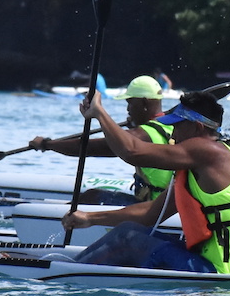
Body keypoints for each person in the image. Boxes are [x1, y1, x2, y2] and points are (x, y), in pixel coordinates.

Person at [61, 89, 230, 274]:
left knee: (126, 238)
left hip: (221, 273)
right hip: (224, 266)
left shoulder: (207, 151)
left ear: (198, 128)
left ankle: (65, 276)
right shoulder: (207, 165)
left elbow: (132, 152)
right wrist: (90, 218)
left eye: (178, 125)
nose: (172, 132)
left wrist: (100, 113)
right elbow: (149, 215)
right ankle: (74, 268)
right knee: (131, 230)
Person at [27, 75, 174, 204]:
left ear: (145, 103)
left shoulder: (141, 135)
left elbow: (86, 147)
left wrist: (47, 144)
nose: (128, 109)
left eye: (130, 103)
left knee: (91, 196)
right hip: (168, 206)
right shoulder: (172, 127)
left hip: (154, 208)